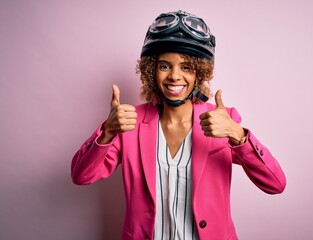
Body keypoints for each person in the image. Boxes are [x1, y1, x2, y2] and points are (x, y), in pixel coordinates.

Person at [71, 10, 286, 240]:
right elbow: (81, 176)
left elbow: (276, 184)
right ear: (151, 71)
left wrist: (237, 134)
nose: (174, 76)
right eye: (164, 66)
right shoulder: (130, 124)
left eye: (186, 67)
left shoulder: (222, 121)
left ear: (199, 74)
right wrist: (108, 132)